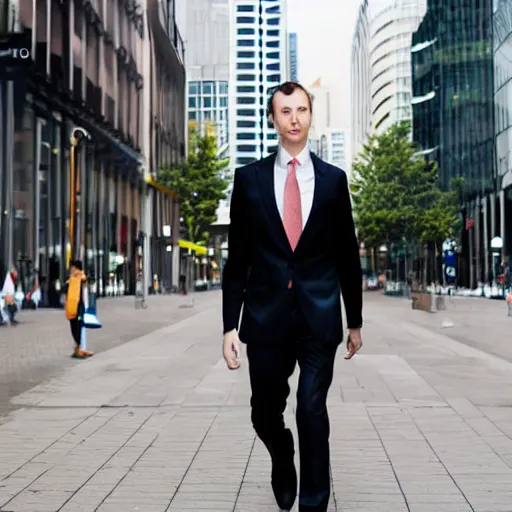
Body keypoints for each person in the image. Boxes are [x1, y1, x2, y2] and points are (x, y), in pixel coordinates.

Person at [221, 81, 363, 512]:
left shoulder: (334, 182)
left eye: (301, 109)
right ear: (273, 119)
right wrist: (229, 324)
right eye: (285, 111)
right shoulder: (248, 181)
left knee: (311, 408)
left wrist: (353, 320)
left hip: (318, 317)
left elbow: (347, 255)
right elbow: (238, 259)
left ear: (310, 115)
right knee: (264, 412)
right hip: (265, 318)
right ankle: (283, 459)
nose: (295, 118)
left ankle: (314, 502)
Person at [65, 260, 94, 359]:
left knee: (77, 327)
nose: (71, 269)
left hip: (78, 307)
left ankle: (78, 348)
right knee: (74, 328)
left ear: (76, 268)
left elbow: (86, 282)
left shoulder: (81, 277)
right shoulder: (72, 279)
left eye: (72, 267)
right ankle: (77, 348)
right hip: (72, 308)